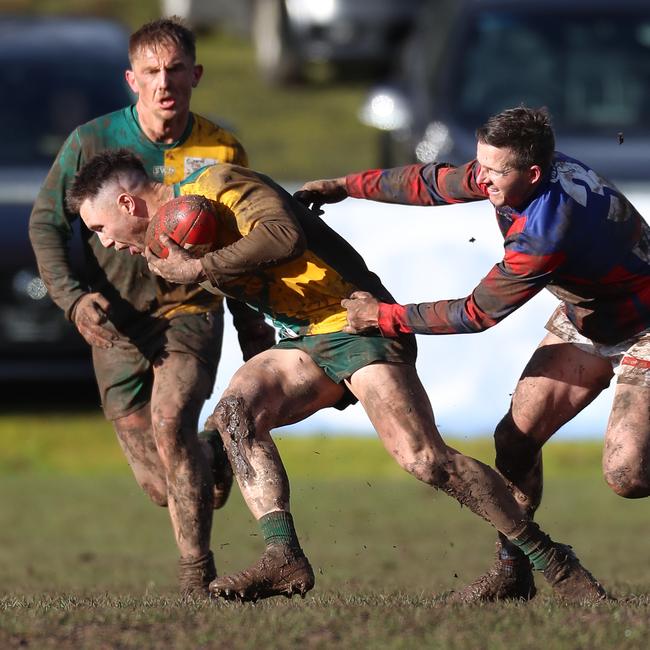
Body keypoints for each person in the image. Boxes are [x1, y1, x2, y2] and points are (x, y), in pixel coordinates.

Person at [65, 148, 607, 604]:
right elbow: (251, 288)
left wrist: (198, 269)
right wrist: (248, 331)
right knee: (234, 414)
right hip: (305, 340)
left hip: (359, 322)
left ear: (128, 203)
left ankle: (554, 563)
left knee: (424, 460)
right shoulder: (168, 239)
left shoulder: (219, 184)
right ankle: (284, 557)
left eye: (99, 227)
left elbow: (281, 237)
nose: (105, 242)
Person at [295, 105, 650, 602]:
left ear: (531, 172)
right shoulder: (517, 171)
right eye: (480, 164)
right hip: (590, 318)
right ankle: (513, 570)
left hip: (644, 327)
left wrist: (382, 317)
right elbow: (432, 182)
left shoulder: (547, 229)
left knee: (627, 475)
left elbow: (477, 313)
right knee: (515, 441)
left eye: (493, 171)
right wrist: (342, 185)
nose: (481, 178)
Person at [28, 17, 275, 596]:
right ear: (131, 79)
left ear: (196, 74)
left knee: (170, 422)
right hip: (113, 322)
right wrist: (72, 299)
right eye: (151, 72)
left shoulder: (222, 147)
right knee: (166, 483)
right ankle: (212, 453)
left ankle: (196, 579)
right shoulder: (91, 142)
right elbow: (45, 222)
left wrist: (251, 324)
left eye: (175, 70)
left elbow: (245, 242)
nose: (165, 83)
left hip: (190, 312)